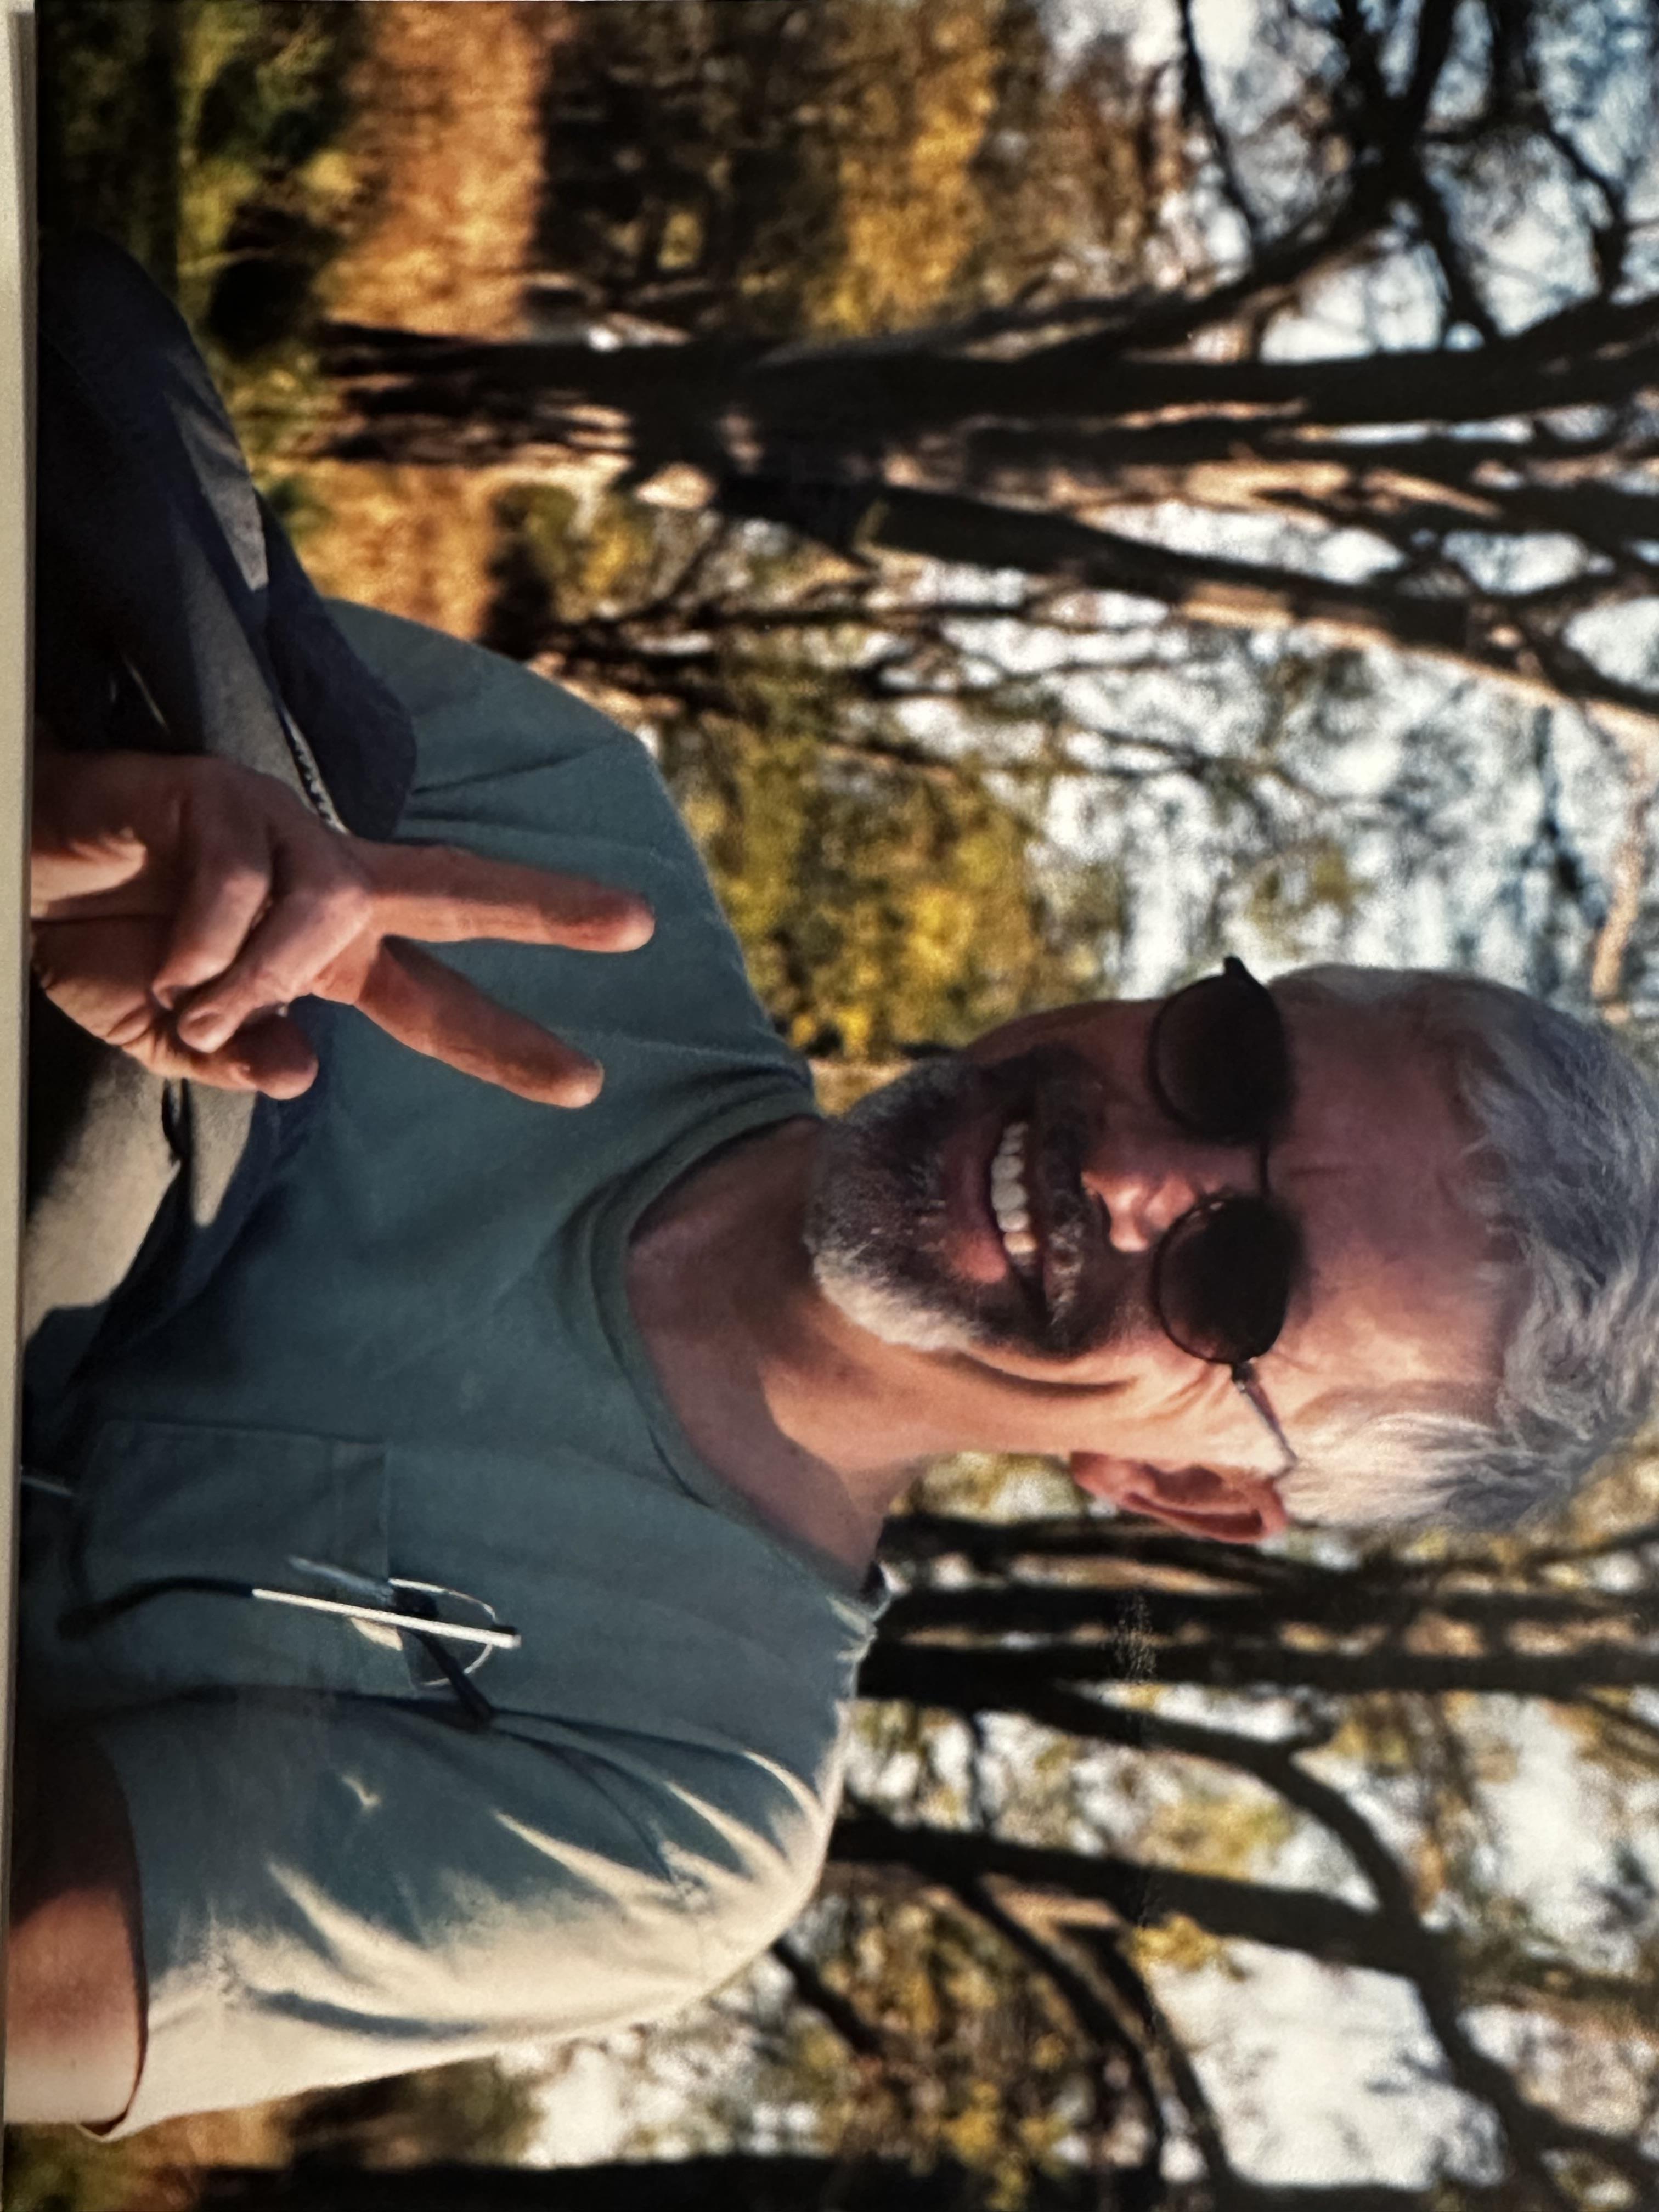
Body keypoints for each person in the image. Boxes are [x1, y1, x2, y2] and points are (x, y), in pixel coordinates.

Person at [12, 242, 1659, 2136]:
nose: (1132, 1162)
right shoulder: (555, 816)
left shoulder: (677, 1802)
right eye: (1229, 1063)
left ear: (1189, 1490)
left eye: (1240, 1280)